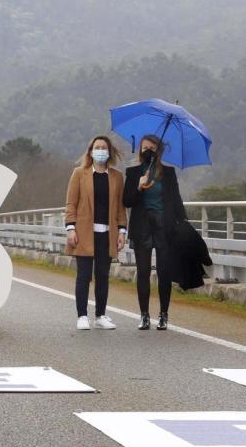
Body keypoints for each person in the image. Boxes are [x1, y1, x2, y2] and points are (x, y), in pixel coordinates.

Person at [124, 134, 186, 331]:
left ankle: (163, 314)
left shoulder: (168, 173)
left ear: (159, 151)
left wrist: (183, 223)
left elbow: (176, 199)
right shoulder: (134, 172)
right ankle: (144, 315)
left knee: (163, 272)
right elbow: (127, 201)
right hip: (142, 226)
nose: (148, 151)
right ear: (140, 150)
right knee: (143, 272)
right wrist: (139, 187)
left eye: (152, 147)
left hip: (164, 226)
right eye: (144, 148)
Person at [65, 135, 127, 331]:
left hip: (107, 234)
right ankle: (82, 315)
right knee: (83, 275)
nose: (100, 150)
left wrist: (122, 231)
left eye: (104, 147)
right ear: (90, 151)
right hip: (83, 232)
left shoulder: (117, 176)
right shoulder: (79, 173)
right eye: (97, 147)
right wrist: (70, 227)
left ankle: (100, 315)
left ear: (109, 151)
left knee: (103, 275)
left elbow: (120, 208)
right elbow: (71, 203)